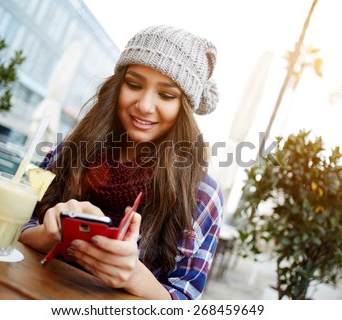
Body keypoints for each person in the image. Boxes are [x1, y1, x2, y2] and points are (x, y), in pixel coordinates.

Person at [19, 25, 223, 300]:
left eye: (166, 95)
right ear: (118, 87)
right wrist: (50, 233)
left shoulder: (202, 194)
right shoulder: (69, 151)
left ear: (183, 108)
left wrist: (134, 275)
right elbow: (15, 223)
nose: (145, 105)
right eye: (134, 84)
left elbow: (186, 298)